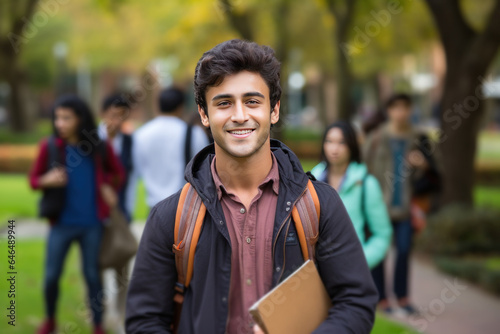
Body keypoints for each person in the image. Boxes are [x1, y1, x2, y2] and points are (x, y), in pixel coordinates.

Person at [126, 39, 378, 334]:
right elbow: (144, 321)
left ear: (274, 110)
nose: (239, 115)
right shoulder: (170, 217)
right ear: (204, 114)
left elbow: (356, 301)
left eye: (252, 101)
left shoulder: (320, 205)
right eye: (223, 103)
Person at [29, 95, 125, 334]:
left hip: (92, 224)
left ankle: (98, 325)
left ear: (80, 119)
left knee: (93, 276)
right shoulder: (49, 146)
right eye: (57, 118)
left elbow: (119, 174)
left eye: (66, 118)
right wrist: (46, 180)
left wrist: (109, 189)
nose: (59, 123)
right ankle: (50, 320)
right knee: (51, 276)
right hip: (60, 224)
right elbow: (33, 181)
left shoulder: (99, 147)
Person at [363, 93, 427, 315]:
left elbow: (430, 178)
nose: (400, 112)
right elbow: (363, 169)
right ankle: (382, 298)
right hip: (378, 208)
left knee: (404, 250)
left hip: (406, 208)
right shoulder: (376, 138)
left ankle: (403, 297)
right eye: (396, 107)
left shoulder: (418, 138)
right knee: (379, 253)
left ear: (410, 110)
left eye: (405, 107)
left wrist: (421, 166)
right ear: (389, 111)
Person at [310, 121, 392, 269]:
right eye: (329, 141)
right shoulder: (312, 181)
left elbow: (383, 234)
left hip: (350, 272)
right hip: (316, 273)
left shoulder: (367, 183)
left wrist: (360, 262)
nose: (334, 149)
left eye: (342, 143)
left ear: (352, 145)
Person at [129, 86, 209, 210]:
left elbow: (137, 170)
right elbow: (204, 170)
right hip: (184, 206)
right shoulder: (194, 133)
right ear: (181, 107)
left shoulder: (141, 134)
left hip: (154, 207)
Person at [98, 93, 134, 333]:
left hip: (121, 212)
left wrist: (127, 210)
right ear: (104, 114)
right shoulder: (90, 139)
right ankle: (99, 315)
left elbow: (132, 177)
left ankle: (120, 313)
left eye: (122, 116)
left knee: (122, 262)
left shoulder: (130, 141)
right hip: (95, 214)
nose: (117, 121)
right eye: (113, 115)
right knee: (96, 264)